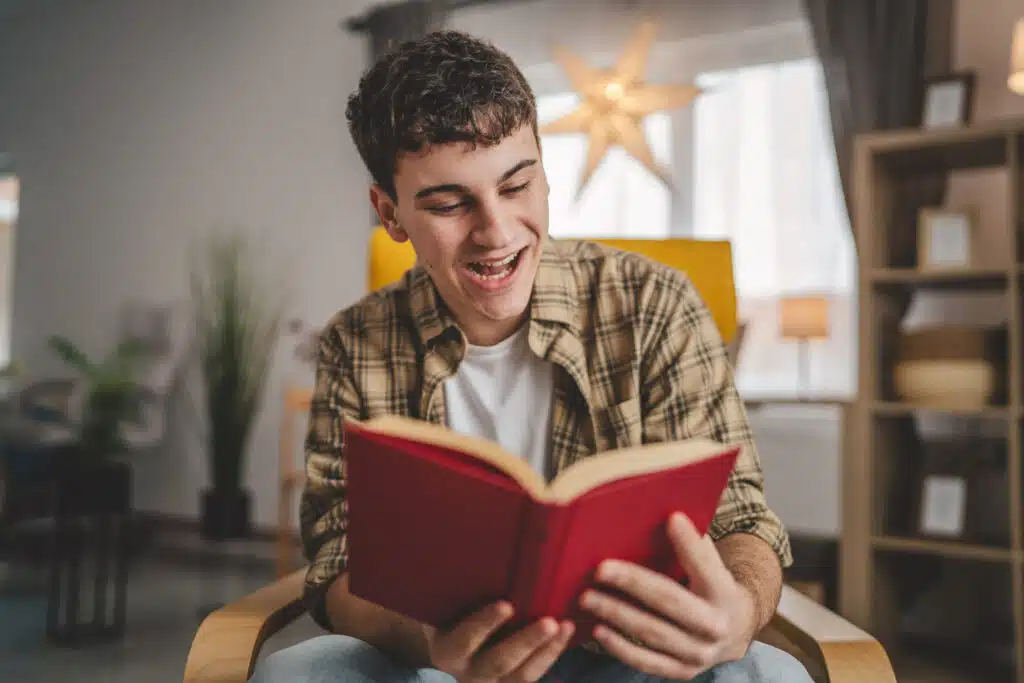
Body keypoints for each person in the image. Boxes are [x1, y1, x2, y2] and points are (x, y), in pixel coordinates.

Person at [250, 29, 814, 683]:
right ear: (390, 212)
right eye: (450, 202)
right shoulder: (357, 343)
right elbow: (338, 565)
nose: (496, 233)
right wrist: (433, 640)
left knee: (766, 673)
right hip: (443, 667)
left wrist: (738, 610)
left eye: (517, 185)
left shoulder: (656, 305)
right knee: (303, 671)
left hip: (629, 662)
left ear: (545, 172)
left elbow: (741, 516)